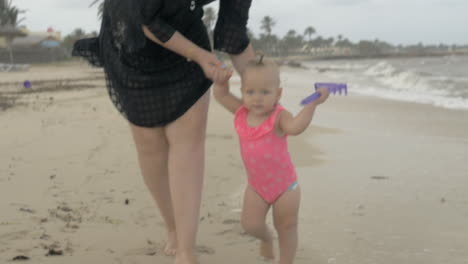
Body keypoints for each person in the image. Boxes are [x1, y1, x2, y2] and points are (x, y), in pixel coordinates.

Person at [72, 1, 255, 263]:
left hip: (186, 44)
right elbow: (146, 19)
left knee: (188, 146)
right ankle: (173, 227)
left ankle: (186, 249)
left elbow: (232, 33)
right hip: (131, 43)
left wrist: (262, 91)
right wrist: (202, 56)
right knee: (150, 147)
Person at [212, 56, 329, 264]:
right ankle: (266, 237)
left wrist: (312, 104)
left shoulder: (279, 116)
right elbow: (221, 96)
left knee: (287, 226)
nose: (257, 98)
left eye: (265, 92)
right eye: (250, 92)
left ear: (278, 94)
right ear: (243, 92)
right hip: (257, 187)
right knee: (250, 225)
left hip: (285, 187)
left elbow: (295, 127)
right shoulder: (242, 112)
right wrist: (222, 83)